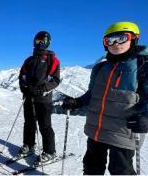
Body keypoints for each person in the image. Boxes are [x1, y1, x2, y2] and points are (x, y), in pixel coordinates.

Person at [62, 21, 148, 175]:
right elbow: (91, 95)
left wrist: (146, 117)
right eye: (109, 40)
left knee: (120, 170)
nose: (115, 44)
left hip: (124, 132)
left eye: (121, 38)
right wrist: (77, 102)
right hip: (96, 129)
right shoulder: (100, 67)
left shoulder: (142, 65)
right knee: (91, 166)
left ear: (134, 39)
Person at [18, 31, 60, 162]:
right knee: (29, 123)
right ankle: (29, 145)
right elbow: (22, 76)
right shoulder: (29, 60)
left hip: (43, 99)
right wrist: (24, 88)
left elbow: (55, 80)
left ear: (48, 43)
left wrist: (41, 89)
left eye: (43, 41)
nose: (41, 43)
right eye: (38, 41)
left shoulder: (52, 60)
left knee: (45, 125)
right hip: (29, 97)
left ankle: (50, 151)